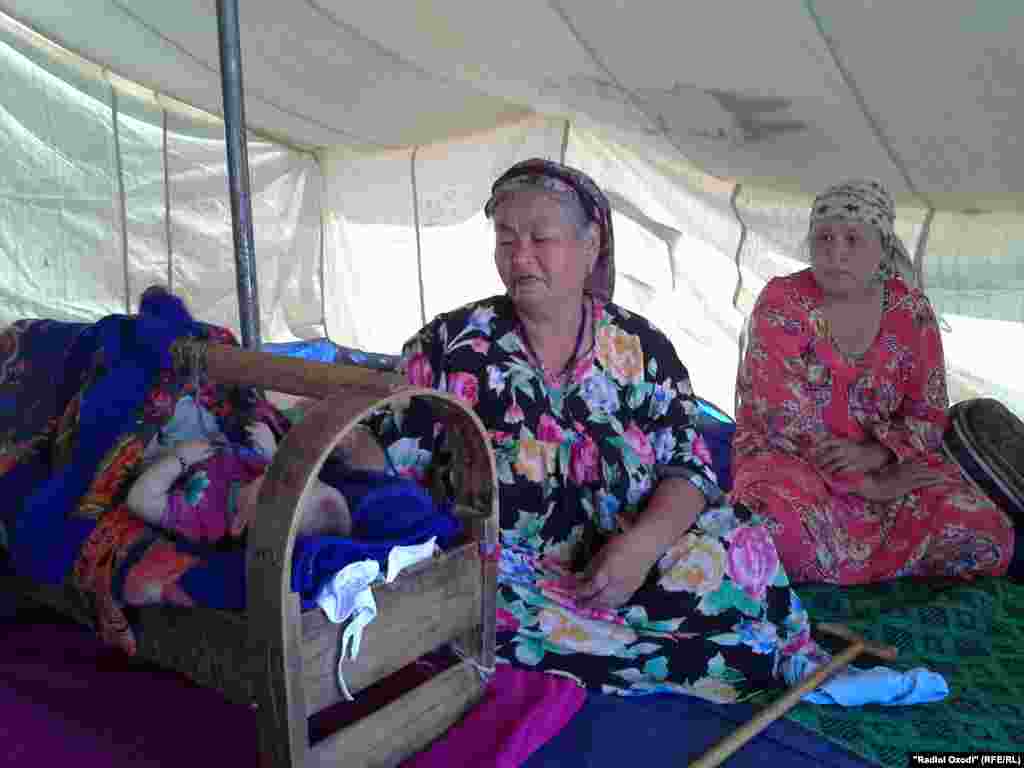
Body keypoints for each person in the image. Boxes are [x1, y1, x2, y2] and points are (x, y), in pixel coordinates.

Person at [369, 158, 820, 701]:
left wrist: (641, 547)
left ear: (591, 246)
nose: (520, 256)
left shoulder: (642, 348)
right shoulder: (453, 345)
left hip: (633, 558)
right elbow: (381, 451)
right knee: (470, 607)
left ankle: (699, 648)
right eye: (506, 239)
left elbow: (689, 467)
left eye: (541, 238)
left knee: (736, 537)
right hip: (515, 579)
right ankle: (724, 654)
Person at [730, 179, 1018, 584]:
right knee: (772, 525)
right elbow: (780, 416)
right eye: (824, 238)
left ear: (882, 247)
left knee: (986, 531)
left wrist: (877, 456)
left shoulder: (911, 311)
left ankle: (838, 568)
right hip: (795, 464)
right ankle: (867, 568)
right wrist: (864, 484)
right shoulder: (783, 302)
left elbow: (928, 412)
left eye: (853, 239)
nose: (836, 253)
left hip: (885, 471)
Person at [125, 421, 354, 545]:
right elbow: (275, 471)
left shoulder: (207, 520)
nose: (281, 471)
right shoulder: (263, 472)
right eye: (297, 477)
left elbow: (140, 500)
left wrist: (179, 459)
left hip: (158, 461)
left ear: (240, 523)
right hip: (198, 434)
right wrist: (273, 451)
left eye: (280, 482)